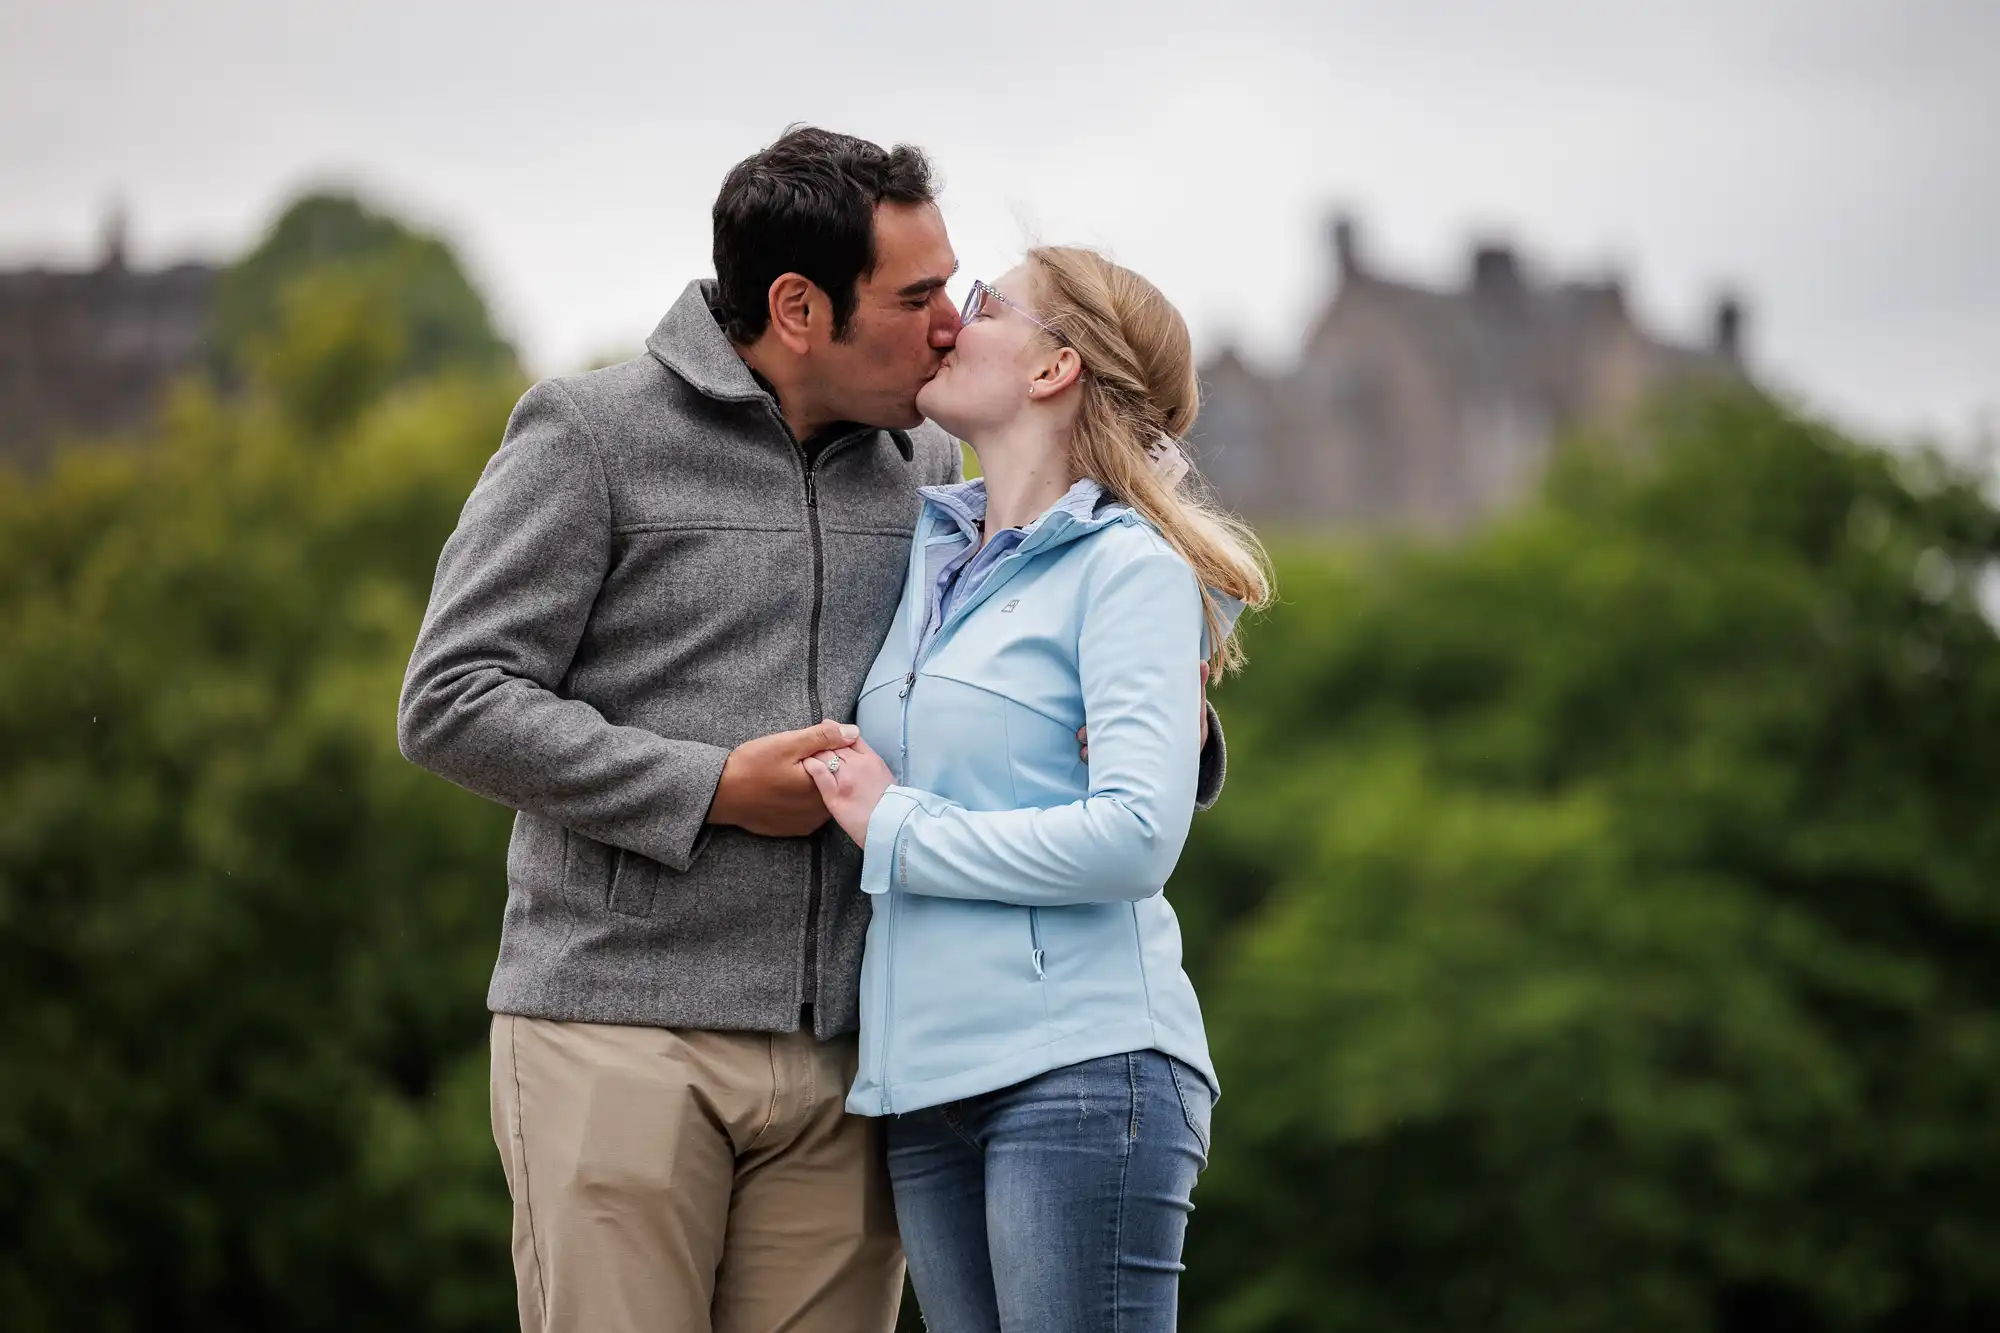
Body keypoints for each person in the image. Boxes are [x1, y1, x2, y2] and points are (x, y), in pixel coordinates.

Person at [396, 127, 1226, 1333]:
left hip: (855, 1057)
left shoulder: (935, 472)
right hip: (619, 1023)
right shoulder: (590, 437)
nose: (948, 321)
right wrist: (709, 786)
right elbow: (452, 698)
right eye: (916, 295)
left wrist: (1169, 730)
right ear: (798, 307)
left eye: (957, 291)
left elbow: (1053, 640)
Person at [803, 248, 1273, 1332]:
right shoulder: (924, 549)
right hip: (922, 1084)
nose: (945, 325)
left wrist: (898, 824)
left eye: (978, 305)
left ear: (1054, 365)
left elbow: (1132, 839)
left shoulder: (1128, 569)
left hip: (1082, 1068)